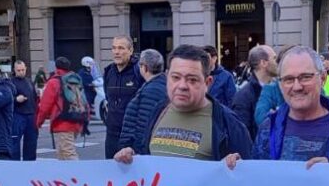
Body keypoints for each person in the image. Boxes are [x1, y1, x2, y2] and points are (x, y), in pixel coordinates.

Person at [115, 44, 251, 163]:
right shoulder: (157, 111)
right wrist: (133, 158)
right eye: (175, 77)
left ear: (207, 83)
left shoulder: (229, 124)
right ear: (167, 77)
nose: (182, 86)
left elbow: (247, 179)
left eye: (192, 80)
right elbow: (147, 161)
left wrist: (235, 169)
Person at [36, 56, 88, 161]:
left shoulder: (54, 82)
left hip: (62, 122)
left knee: (68, 154)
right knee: (62, 154)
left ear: (56, 67)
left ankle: (79, 176)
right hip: (76, 120)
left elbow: (45, 105)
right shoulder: (75, 80)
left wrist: (38, 122)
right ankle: (66, 176)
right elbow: (83, 100)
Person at [103, 35, 144, 159]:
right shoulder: (108, 72)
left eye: (121, 48)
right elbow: (107, 98)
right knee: (111, 173)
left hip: (132, 136)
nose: (116, 52)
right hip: (111, 134)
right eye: (114, 48)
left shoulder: (139, 71)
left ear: (130, 50)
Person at [118, 49, 167, 150]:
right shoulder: (160, 84)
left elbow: (143, 125)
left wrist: (137, 150)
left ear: (144, 67)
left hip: (141, 151)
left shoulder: (152, 90)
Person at [232, 44, 278, 137]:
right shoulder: (243, 97)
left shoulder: (280, 89)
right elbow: (242, 136)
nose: (278, 62)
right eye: (274, 58)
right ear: (264, 63)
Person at [8, 59, 39, 160]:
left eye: (22, 70)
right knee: (14, 143)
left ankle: (29, 165)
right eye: (19, 70)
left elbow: (35, 98)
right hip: (17, 115)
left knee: (31, 142)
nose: (21, 72)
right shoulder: (10, 82)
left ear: (26, 69)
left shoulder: (29, 81)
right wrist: (16, 99)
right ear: (14, 70)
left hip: (31, 115)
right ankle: (15, 165)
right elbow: (5, 100)